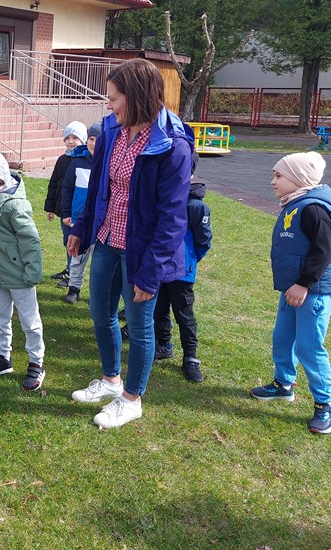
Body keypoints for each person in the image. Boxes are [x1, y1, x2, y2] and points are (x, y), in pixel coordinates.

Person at [67, 58, 193, 428]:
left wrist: (150, 273)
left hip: (143, 253)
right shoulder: (111, 130)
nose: (108, 105)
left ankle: (132, 399)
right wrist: (82, 228)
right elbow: (98, 186)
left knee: (139, 326)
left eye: (113, 97)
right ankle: (111, 381)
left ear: (136, 96)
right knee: (100, 313)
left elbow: (172, 218)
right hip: (107, 239)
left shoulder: (173, 145)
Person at [250, 152, 331, 435]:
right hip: (293, 289)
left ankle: (327, 404)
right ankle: (283, 384)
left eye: (279, 175)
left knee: (308, 347)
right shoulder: (296, 203)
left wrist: (304, 284)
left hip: (312, 290)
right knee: (283, 337)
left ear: (299, 179)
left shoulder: (314, 209)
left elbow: (323, 251)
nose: (273, 181)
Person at [0, 151, 47, 391]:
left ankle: (36, 362)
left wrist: (33, 271)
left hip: (19, 274)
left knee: (29, 320)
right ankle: (3, 356)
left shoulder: (15, 204)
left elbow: (30, 239)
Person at [152, 151, 212, 382]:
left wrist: (189, 261)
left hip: (182, 272)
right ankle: (163, 344)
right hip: (158, 268)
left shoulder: (196, 207)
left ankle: (190, 357)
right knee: (159, 309)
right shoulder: (158, 197)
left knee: (184, 314)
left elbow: (203, 241)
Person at [59, 120, 102, 304]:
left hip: (100, 223)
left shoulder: (107, 164)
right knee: (77, 256)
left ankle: (98, 294)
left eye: (98, 140)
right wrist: (67, 213)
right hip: (78, 220)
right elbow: (67, 189)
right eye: (91, 139)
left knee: (100, 261)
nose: (93, 143)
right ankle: (74, 288)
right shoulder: (77, 163)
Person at [44, 122, 87, 286]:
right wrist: (49, 207)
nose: (70, 141)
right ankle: (69, 268)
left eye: (75, 138)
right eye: (67, 138)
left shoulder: (83, 161)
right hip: (63, 210)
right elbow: (54, 184)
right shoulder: (62, 160)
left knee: (75, 242)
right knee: (66, 240)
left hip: (76, 211)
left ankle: (73, 275)